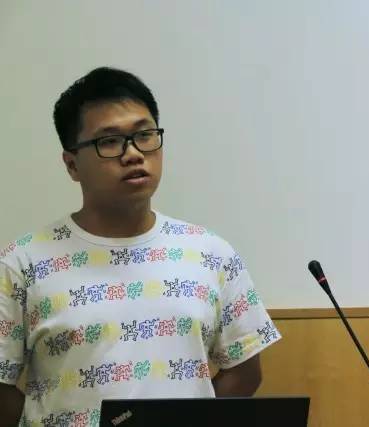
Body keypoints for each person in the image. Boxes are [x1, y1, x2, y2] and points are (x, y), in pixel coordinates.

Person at [0, 67, 281, 427]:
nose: (133, 153)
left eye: (144, 135)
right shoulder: (22, 263)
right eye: (109, 141)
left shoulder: (211, 254)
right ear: (72, 165)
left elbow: (245, 372)